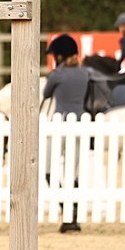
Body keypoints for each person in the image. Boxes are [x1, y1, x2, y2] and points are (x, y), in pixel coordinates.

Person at [42, 34, 88, 233]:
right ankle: (74, 216)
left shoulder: (57, 75)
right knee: (73, 172)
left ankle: (66, 210)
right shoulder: (85, 73)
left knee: (48, 169)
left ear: (60, 56)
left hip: (59, 125)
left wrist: (56, 72)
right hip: (79, 125)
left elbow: (46, 94)